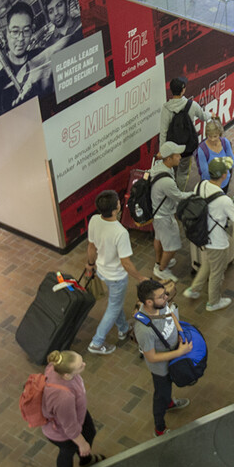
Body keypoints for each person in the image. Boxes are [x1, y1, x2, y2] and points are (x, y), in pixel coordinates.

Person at [183, 160, 234, 311]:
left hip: (202, 234)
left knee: (208, 263)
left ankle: (195, 289)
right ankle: (213, 302)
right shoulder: (224, 200)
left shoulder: (201, 185)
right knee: (217, 273)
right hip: (217, 241)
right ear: (224, 175)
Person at [84, 190, 146, 355]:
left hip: (102, 270)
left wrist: (90, 264)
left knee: (115, 302)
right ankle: (97, 342)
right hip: (116, 276)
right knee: (113, 307)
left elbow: (91, 246)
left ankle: (123, 329)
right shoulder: (120, 232)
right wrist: (140, 278)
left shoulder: (95, 220)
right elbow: (125, 262)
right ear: (115, 209)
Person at [134, 279, 193, 437]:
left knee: (167, 391)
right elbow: (152, 357)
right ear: (148, 302)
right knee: (161, 395)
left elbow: (171, 314)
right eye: (161, 296)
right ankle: (159, 428)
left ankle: (170, 402)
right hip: (161, 369)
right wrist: (180, 352)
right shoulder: (144, 329)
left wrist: (180, 332)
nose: (166, 297)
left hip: (173, 357)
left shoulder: (160, 305)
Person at [41, 350, 105, 467]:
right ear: (66, 375)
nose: (84, 365)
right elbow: (70, 428)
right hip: (62, 433)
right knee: (68, 451)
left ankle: (85, 460)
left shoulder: (55, 366)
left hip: (77, 415)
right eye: (80, 366)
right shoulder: (64, 397)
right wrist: (82, 444)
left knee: (90, 432)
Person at [0, 1, 45, 118]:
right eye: (15, 31)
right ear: (6, 33)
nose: (21, 38)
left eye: (26, 30)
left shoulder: (41, 55)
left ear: (32, 31)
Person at [162, 76, 217, 190]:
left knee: (170, 170)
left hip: (171, 148)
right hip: (186, 147)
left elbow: (163, 132)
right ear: (183, 90)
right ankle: (178, 192)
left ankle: (169, 190)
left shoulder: (166, 108)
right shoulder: (191, 105)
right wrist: (211, 115)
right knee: (183, 171)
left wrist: (163, 151)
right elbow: (203, 116)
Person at [150, 142, 193, 282]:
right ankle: (162, 269)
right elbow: (179, 196)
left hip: (156, 213)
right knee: (173, 246)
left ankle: (159, 262)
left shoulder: (158, 168)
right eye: (177, 155)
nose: (180, 157)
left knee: (159, 238)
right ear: (168, 159)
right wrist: (194, 193)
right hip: (164, 217)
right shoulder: (167, 182)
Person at [195, 120, 234, 191]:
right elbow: (206, 172)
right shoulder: (202, 149)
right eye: (209, 136)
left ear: (220, 134)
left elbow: (232, 163)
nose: (212, 139)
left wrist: (215, 168)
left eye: (215, 136)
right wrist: (225, 163)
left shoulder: (225, 142)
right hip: (210, 186)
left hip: (225, 182)